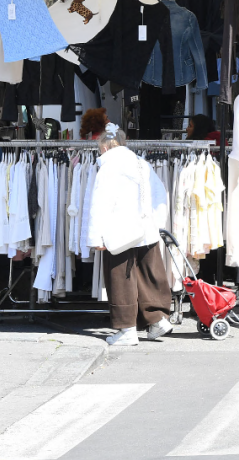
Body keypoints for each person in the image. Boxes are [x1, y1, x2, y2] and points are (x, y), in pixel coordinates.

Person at [86, 124, 173, 347]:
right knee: (149, 274)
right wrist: (156, 223)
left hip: (119, 232)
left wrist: (96, 237)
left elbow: (100, 203)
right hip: (146, 228)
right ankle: (157, 320)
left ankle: (127, 329)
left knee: (121, 278)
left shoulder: (108, 167)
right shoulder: (141, 164)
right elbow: (159, 193)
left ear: (104, 148)